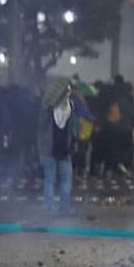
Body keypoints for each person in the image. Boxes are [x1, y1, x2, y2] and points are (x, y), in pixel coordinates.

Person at [37, 79, 82, 215]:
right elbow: (75, 128)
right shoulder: (70, 107)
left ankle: (49, 207)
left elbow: (41, 127)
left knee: (49, 180)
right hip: (64, 149)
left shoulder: (48, 109)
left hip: (49, 149)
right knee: (66, 180)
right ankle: (64, 207)